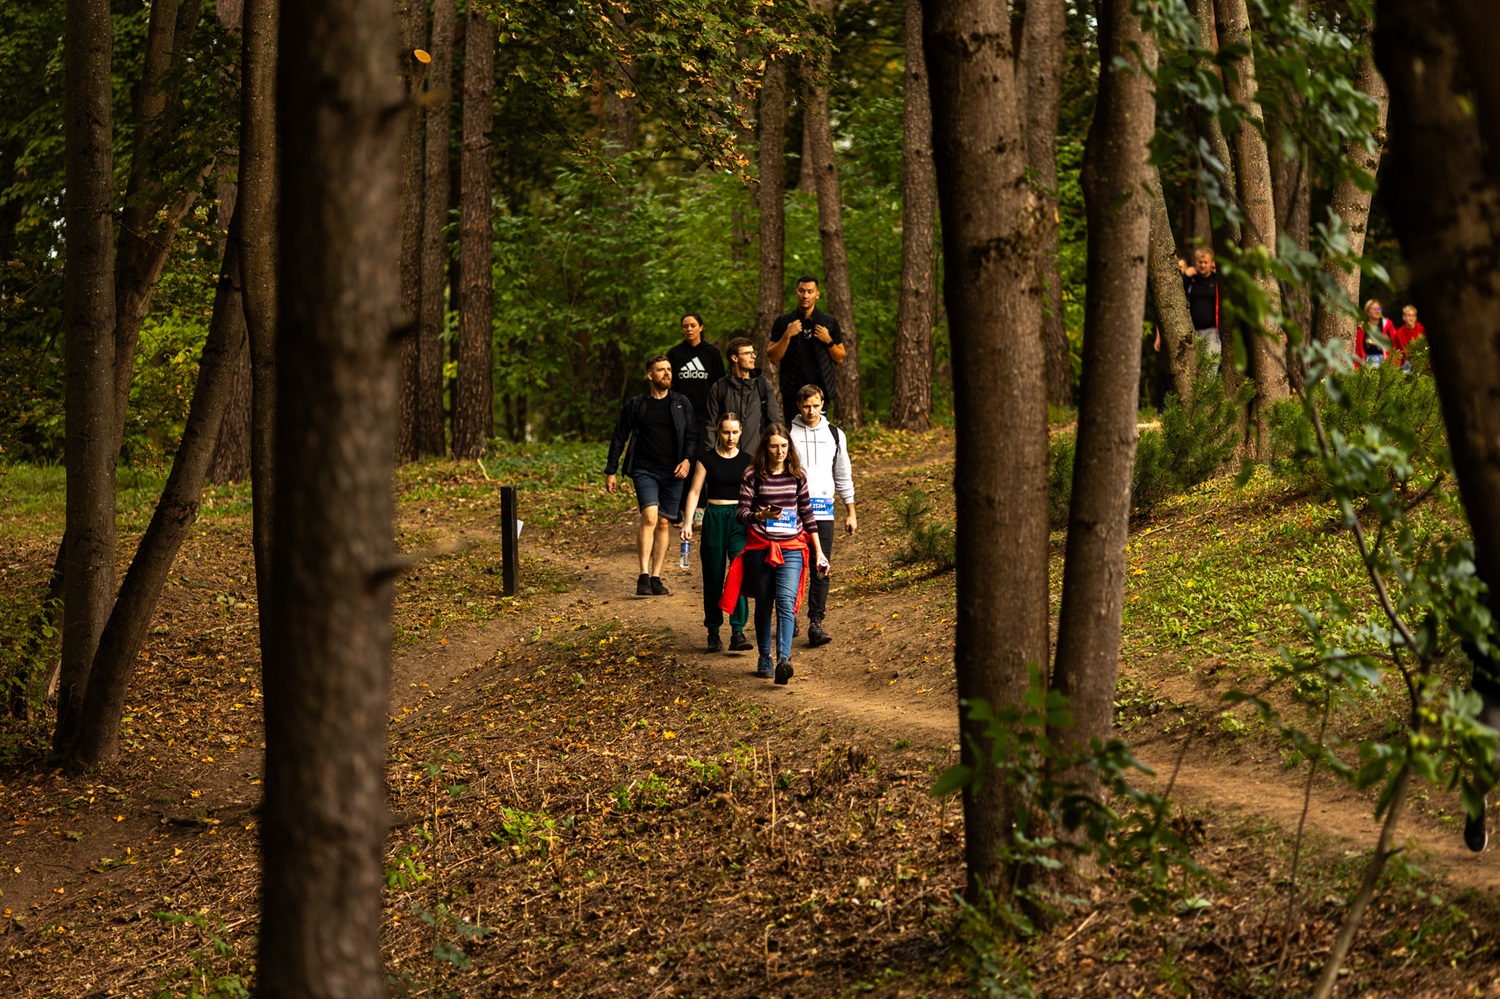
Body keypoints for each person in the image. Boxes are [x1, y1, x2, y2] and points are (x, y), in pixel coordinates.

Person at [718, 425, 828, 683]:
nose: (780, 451)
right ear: (765, 448)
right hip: (760, 546)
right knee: (765, 602)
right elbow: (741, 513)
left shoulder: (797, 474)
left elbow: (807, 513)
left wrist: (819, 552)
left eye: (784, 446)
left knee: (786, 602)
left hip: (791, 546)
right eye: (774, 446)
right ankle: (765, 656)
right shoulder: (753, 474)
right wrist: (761, 515)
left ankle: (784, 660)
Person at [604, 355, 699, 596]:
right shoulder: (637, 405)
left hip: (674, 472)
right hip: (644, 470)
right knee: (649, 518)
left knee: (665, 522)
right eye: (661, 370)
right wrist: (611, 470)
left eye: (669, 369)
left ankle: (656, 577)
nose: (667, 374)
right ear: (650, 375)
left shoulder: (681, 403)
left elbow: (691, 436)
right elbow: (619, 436)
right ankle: (643, 575)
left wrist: (688, 460)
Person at [679, 413, 755, 653]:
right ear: (718, 433)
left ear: (741, 431)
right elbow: (694, 492)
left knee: (738, 572)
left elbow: (755, 493)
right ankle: (713, 632)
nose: (730, 437)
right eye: (726, 432)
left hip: (739, 520)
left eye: (734, 432)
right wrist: (688, 522)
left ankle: (738, 631)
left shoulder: (748, 460)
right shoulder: (706, 460)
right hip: (714, 516)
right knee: (712, 575)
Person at [787, 385, 855, 648]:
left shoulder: (835, 435)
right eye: (806, 406)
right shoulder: (788, 433)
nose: (811, 411)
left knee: (821, 565)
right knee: (791, 564)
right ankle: (789, 613)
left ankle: (816, 621)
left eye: (816, 405)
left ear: (823, 404)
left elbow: (843, 474)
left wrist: (850, 511)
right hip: (791, 511)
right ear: (798, 405)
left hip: (824, 510)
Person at [768, 276, 846, 427]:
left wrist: (828, 340)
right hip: (793, 392)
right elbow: (772, 356)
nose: (805, 296)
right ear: (796, 293)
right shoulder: (784, 322)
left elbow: (840, 358)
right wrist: (787, 335)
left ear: (817, 294)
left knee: (819, 432)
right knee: (794, 434)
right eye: (802, 291)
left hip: (821, 391)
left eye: (810, 292)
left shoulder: (828, 322)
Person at [704, 336, 776, 456]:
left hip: (756, 459)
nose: (753, 356)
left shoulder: (763, 385)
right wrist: (710, 460)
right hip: (726, 459)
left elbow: (774, 424)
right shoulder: (719, 388)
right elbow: (711, 427)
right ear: (734, 358)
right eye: (748, 353)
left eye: (753, 353)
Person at [666, 313, 724, 443]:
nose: (689, 329)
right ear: (682, 329)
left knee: (702, 448)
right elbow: (668, 382)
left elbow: (720, 383)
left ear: (701, 327)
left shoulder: (712, 353)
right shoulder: (674, 353)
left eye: (693, 325)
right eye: (685, 326)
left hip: (706, 411)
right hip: (681, 410)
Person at [1182, 247, 1220, 355]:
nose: (1202, 265)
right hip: (1192, 331)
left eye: (1205, 262)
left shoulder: (1216, 280)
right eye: (1200, 262)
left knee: (1210, 366)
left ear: (1211, 263)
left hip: (1212, 331)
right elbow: (1177, 293)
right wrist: (1185, 276)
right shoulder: (1190, 280)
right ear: (1196, 262)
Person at [1355, 298, 1395, 368]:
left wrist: (1394, 364)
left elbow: (1395, 346)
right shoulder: (1362, 328)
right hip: (1367, 365)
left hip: (1385, 365)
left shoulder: (1388, 326)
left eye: (1379, 309)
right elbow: (1357, 350)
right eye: (1374, 309)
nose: (1377, 311)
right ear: (1367, 312)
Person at [1392, 304, 1426, 370]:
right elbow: (1396, 352)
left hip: (1421, 361)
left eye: (1414, 315)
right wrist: (1397, 367)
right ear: (1404, 317)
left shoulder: (1422, 330)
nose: (1411, 318)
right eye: (1409, 315)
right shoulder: (1399, 333)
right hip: (1407, 363)